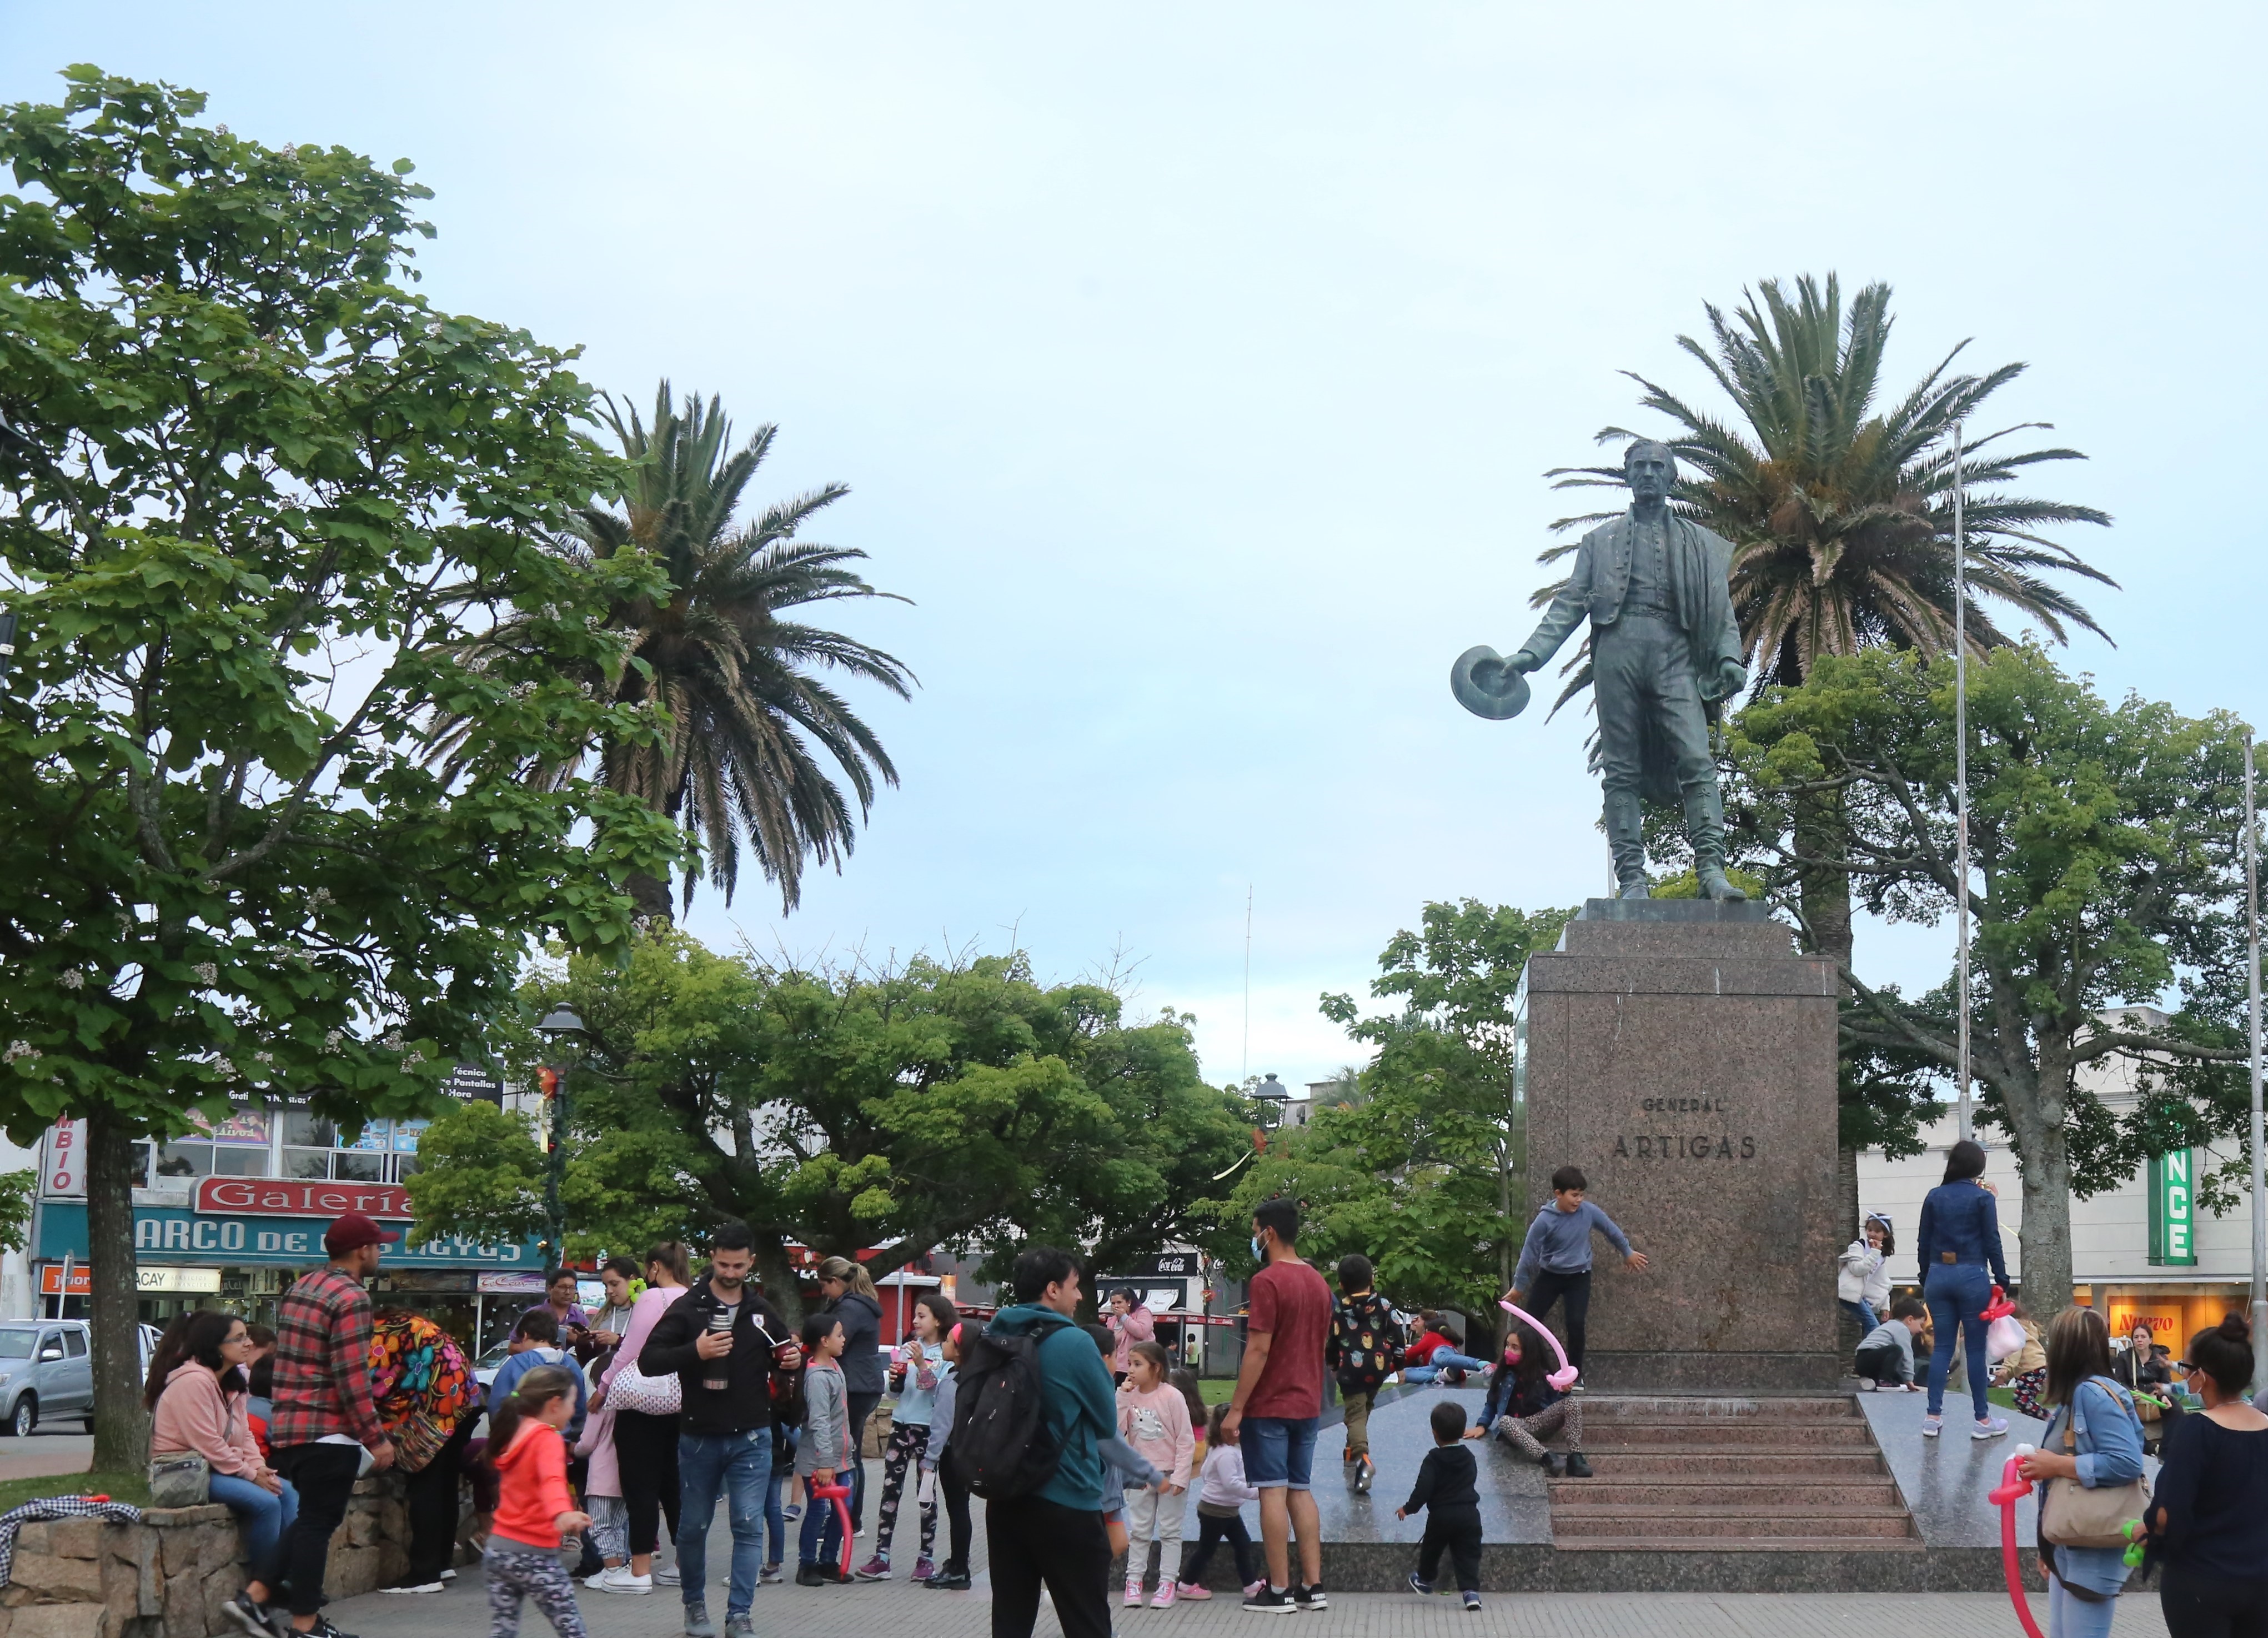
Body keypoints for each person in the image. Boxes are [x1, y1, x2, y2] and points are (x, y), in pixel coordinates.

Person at [638, 1222, 799, 1638]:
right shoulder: (689, 1306)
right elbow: (648, 1361)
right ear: (712, 1257)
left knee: (748, 1525)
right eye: (723, 1264)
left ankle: (740, 1615)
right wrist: (697, 1350)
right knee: (693, 1527)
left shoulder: (761, 1310)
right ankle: (694, 1606)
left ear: (751, 1262)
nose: (730, 1272)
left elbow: (785, 1352)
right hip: (699, 1436)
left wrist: (792, 1359)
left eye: (739, 1266)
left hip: (753, 1436)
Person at [268, 1211, 400, 1638]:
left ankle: (254, 1595)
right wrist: (376, 1438)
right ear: (362, 1250)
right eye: (377, 1246)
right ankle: (305, 1624)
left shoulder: (301, 1287)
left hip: (289, 1424)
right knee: (318, 1526)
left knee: (309, 1518)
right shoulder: (352, 1297)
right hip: (328, 1428)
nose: (380, 1253)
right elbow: (351, 1375)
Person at [986, 1246, 1120, 1638]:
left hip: (1005, 1496)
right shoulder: (1076, 1343)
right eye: (1075, 1286)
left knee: (1010, 1621)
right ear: (1052, 1289)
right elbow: (1106, 1421)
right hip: (1066, 1498)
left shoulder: (996, 1336)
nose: (1079, 1296)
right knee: (1087, 1621)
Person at [150, 1310, 299, 1638]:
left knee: (287, 1492)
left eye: (247, 1337)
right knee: (266, 1503)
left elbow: (245, 1436)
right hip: (187, 1471)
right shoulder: (193, 1382)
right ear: (215, 1345)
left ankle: (288, 1580)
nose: (248, 1344)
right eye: (239, 1338)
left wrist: (260, 1467)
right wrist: (250, 1474)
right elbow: (207, 1443)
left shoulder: (233, 1382)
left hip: (221, 1466)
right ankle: (262, 1589)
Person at [1222, 1197, 1333, 1613]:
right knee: (1300, 1490)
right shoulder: (1319, 1283)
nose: (1254, 1239)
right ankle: (1312, 1586)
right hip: (1309, 1402)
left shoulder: (1267, 1281)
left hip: (1270, 1403)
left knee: (1273, 1490)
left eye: (1255, 1231)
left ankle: (1280, 1589)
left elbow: (1259, 1348)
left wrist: (1236, 1408)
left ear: (1268, 1232)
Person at [2017, 1306, 2145, 1638]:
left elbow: (2127, 1461)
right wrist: (2049, 1545)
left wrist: (2057, 1465)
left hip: (2092, 1539)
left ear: (2065, 1348)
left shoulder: (2092, 1394)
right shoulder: (2081, 1395)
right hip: (2074, 1538)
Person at [2149, 1314, 2268, 1636]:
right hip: (2261, 1580)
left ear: (2203, 1377)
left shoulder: (2197, 1431)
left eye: (2187, 1370)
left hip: (2202, 1580)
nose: (2185, 1379)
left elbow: (2166, 1515)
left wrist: (2146, 1532)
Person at [593, 1241, 691, 1595]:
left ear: (654, 1267)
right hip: (680, 1400)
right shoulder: (694, 1297)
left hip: (641, 1402)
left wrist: (603, 1387)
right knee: (673, 1485)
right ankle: (684, 1565)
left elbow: (630, 1352)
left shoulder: (651, 1298)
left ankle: (640, 1571)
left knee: (640, 1486)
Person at [483, 1364, 594, 1638]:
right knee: (571, 1627)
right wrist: (562, 1513)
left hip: (499, 1551)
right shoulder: (547, 1439)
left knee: (503, 1629)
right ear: (555, 1404)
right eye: (572, 1402)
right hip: (533, 1555)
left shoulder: (519, 1431)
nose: (574, 1410)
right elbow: (551, 1480)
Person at [372, 1310, 478, 1595]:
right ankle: (442, 1563)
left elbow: (375, 1386)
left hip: (438, 1402)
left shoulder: (378, 1333)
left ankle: (424, 1573)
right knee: (445, 1484)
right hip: (463, 1398)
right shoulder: (406, 1323)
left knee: (425, 1485)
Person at [1507, 1165, 1649, 1374]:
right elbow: (1529, 1254)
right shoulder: (1544, 1221)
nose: (1579, 1200)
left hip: (1579, 1278)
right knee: (1529, 1323)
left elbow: (1611, 1230)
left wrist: (1627, 1252)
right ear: (1559, 1194)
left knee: (1575, 1323)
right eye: (1574, 1195)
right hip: (1550, 1276)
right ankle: (1520, 1369)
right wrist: (1519, 1286)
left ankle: (1575, 1374)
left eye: (1581, 1195)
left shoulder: (1588, 1212)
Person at [856, 1290, 955, 1582]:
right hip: (901, 1425)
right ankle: (882, 1557)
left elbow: (935, 1390)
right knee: (890, 1491)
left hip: (928, 1430)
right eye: (915, 1316)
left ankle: (926, 1558)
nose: (915, 1321)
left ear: (938, 1320)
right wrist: (895, 1379)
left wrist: (922, 1363)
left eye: (922, 1316)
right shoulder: (907, 1349)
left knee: (926, 1494)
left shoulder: (946, 1353)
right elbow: (893, 1394)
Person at [1916, 1139, 2011, 1440]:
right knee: (1975, 1350)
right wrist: (2002, 1278)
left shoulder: (1934, 1196)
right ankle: (1982, 1420)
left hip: (1938, 1274)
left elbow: (1924, 1241)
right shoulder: (1983, 1198)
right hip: (1972, 1275)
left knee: (1943, 1348)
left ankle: (1932, 1417)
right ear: (1978, 1166)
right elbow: (1992, 1240)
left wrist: (1925, 1275)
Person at [1117, 1339, 1196, 1607]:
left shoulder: (1172, 1396)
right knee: (1139, 1530)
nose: (1131, 1369)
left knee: (1170, 1531)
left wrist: (1181, 1477)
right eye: (1130, 1363)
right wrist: (1122, 1397)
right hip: (1141, 1476)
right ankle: (1134, 1581)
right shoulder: (1128, 1396)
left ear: (1156, 1368)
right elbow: (1115, 1431)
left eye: (1138, 1364)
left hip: (1170, 1474)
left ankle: (1167, 1583)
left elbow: (1185, 1439)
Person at [1468, 1316, 1589, 1476]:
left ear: (1528, 1352)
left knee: (1572, 1402)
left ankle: (1575, 1457)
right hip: (1515, 1426)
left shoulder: (1545, 1376)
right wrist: (1482, 1424)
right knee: (1505, 1422)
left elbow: (1556, 1405)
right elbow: (1491, 1403)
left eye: (1515, 1348)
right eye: (1507, 1346)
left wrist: (1564, 1392)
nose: (1508, 1351)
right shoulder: (1502, 1375)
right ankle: (1547, 1457)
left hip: (1540, 1422)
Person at [815, 1255, 885, 1535]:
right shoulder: (860, 1304)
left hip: (854, 1385)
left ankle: (847, 1521)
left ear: (835, 1281)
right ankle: (849, 1519)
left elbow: (832, 1342)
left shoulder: (850, 1308)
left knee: (847, 1455)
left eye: (824, 1285)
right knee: (851, 1453)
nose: (823, 1292)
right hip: (864, 1384)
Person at [1398, 1399, 1483, 1611]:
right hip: (1469, 1514)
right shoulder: (1469, 1457)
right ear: (1463, 1431)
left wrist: (1408, 1509)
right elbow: (1471, 1479)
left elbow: (1423, 1489)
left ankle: (1425, 1581)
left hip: (1442, 1515)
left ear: (1435, 1433)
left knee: (1432, 1548)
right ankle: (1471, 1592)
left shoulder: (1433, 1459)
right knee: (1468, 1553)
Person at [1178, 1401, 1264, 1601]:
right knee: (1208, 1549)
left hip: (1224, 1510)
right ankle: (1186, 1585)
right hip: (1217, 1511)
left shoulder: (1218, 1450)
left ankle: (1250, 1585)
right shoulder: (1227, 1454)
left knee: (1242, 1545)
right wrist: (1256, 1493)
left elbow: (1208, 1474)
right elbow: (1231, 1483)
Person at [1327, 1255, 1398, 1494]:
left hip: (1350, 1370)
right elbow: (1396, 1335)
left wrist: (1332, 1364)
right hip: (1378, 1368)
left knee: (1355, 1415)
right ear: (1372, 1280)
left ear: (1341, 1284)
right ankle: (1350, 1451)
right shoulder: (1384, 1305)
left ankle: (1362, 1458)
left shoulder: (1339, 1309)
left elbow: (1333, 1340)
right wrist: (1400, 1365)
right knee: (1365, 1406)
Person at [795, 1311, 854, 1585]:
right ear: (824, 1340)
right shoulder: (817, 1377)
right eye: (839, 1335)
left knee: (846, 1508)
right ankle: (807, 1565)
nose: (844, 1339)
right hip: (820, 1460)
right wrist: (825, 1463)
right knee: (818, 1511)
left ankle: (828, 1560)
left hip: (841, 1458)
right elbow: (819, 1422)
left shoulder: (834, 1366)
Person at [919, 1323, 972, 1591]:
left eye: (949, 1341)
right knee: (962, 1509)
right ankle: (959, 1562)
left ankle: (959, 1569)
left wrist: (930, 1461)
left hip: (953, 1454)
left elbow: (942, 1426)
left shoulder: (952, 1381)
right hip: (971, 1452)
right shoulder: (976, 1376)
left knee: (957, 1511)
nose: (944, 1345)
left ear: (960, 1350)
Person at [489, 1311, 590, 1443]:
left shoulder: (515, 1364)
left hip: (521, 1441)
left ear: (525, 1335)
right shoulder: (572, 1364)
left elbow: (497, 1407)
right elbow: (580, 1410)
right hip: (560, 1441)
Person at [1853, 1299, 1930, 1392]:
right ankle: (1885, 1381)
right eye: (1921, 1325)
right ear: (1910, 1320)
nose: (1921, 1330)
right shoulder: (1902, 1329)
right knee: (1897, 1350)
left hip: (1863, 1362)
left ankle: (1872, 1381)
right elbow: (1907, 1355)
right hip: (1867, 1358)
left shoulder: (1890, 1325)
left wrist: (1902, 1380)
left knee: (1898, 1379)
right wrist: (1909, 1380)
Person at [1838, 1213, 1894, 1334]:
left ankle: (1866, 1346)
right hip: (1849, 1294)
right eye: (1869, 1230)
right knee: (1873, 1326)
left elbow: (1882, 1282)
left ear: (1885, 1235)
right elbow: (1857, 1270)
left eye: (1877, 1231)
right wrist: (1874, 1253)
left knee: (1870, 1327)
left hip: (1863, 1297)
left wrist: (1885, 1306)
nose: (1872, 1234)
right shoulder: (1859, 1246)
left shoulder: (1881, 1254)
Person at [1105, 1288, 1155, 1385]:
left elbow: (1141, 1332)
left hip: (1140, 1363)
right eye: (1113, 1303)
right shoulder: (1112, 1320)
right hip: (1119, 1367)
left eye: (1119, 1302)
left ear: (1129, 1302)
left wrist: (1124, 1317)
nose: (1116, 1306)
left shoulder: (1143, 1313)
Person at [588, 1259, 641, 1351]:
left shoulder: (647, 1312)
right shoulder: (602, 1315)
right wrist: (582, 1343)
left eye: (614, 1284)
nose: (609, 1291)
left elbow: (648, 1351)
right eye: (606, 1286)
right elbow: (590, 1356)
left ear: (632, 1280)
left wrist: (618, 1341)